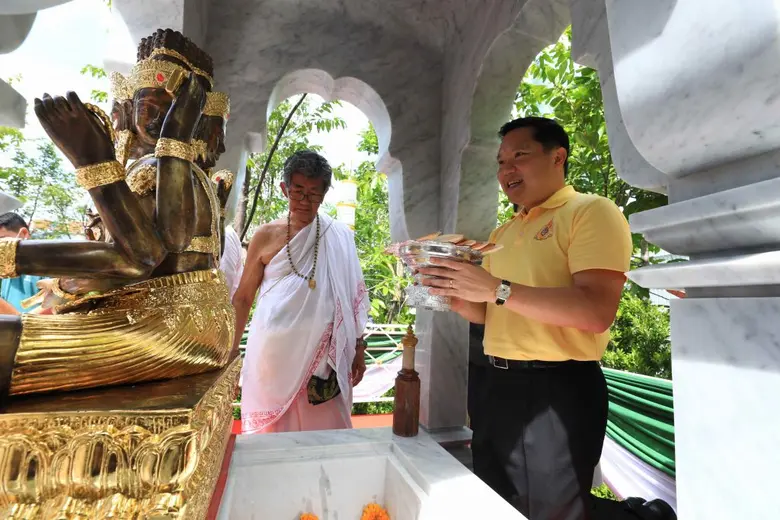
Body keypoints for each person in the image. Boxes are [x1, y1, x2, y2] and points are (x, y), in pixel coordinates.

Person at [420, 117, 676, 520]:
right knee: (496, 502)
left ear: (558, 157)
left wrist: (493, 288)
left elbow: (595, 312)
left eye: (519, 156)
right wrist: (450, 290)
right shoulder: (503, 232)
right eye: (501, 161)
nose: (507, 170)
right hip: (494, 384)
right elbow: (490, 314)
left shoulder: (590, 212)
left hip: (557, 388)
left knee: (555, 512)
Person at [234, 150, 369, 434]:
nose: (306, 202)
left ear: (324, 194)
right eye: (298, 192)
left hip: (324, 361)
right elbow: (244, 297)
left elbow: (352, 297)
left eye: (314, 193)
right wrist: (231, 352)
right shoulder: (265, 235)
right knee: (273, 439)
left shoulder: (339, 235)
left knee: (326, 438)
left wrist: (359, 348)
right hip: (273, 355)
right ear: (285, 189)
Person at [0, 213, 42, 314]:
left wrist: (21, 323)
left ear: (24, 233)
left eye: (2, 240)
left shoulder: (47, 264)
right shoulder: (8, 266)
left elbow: (55, 305)